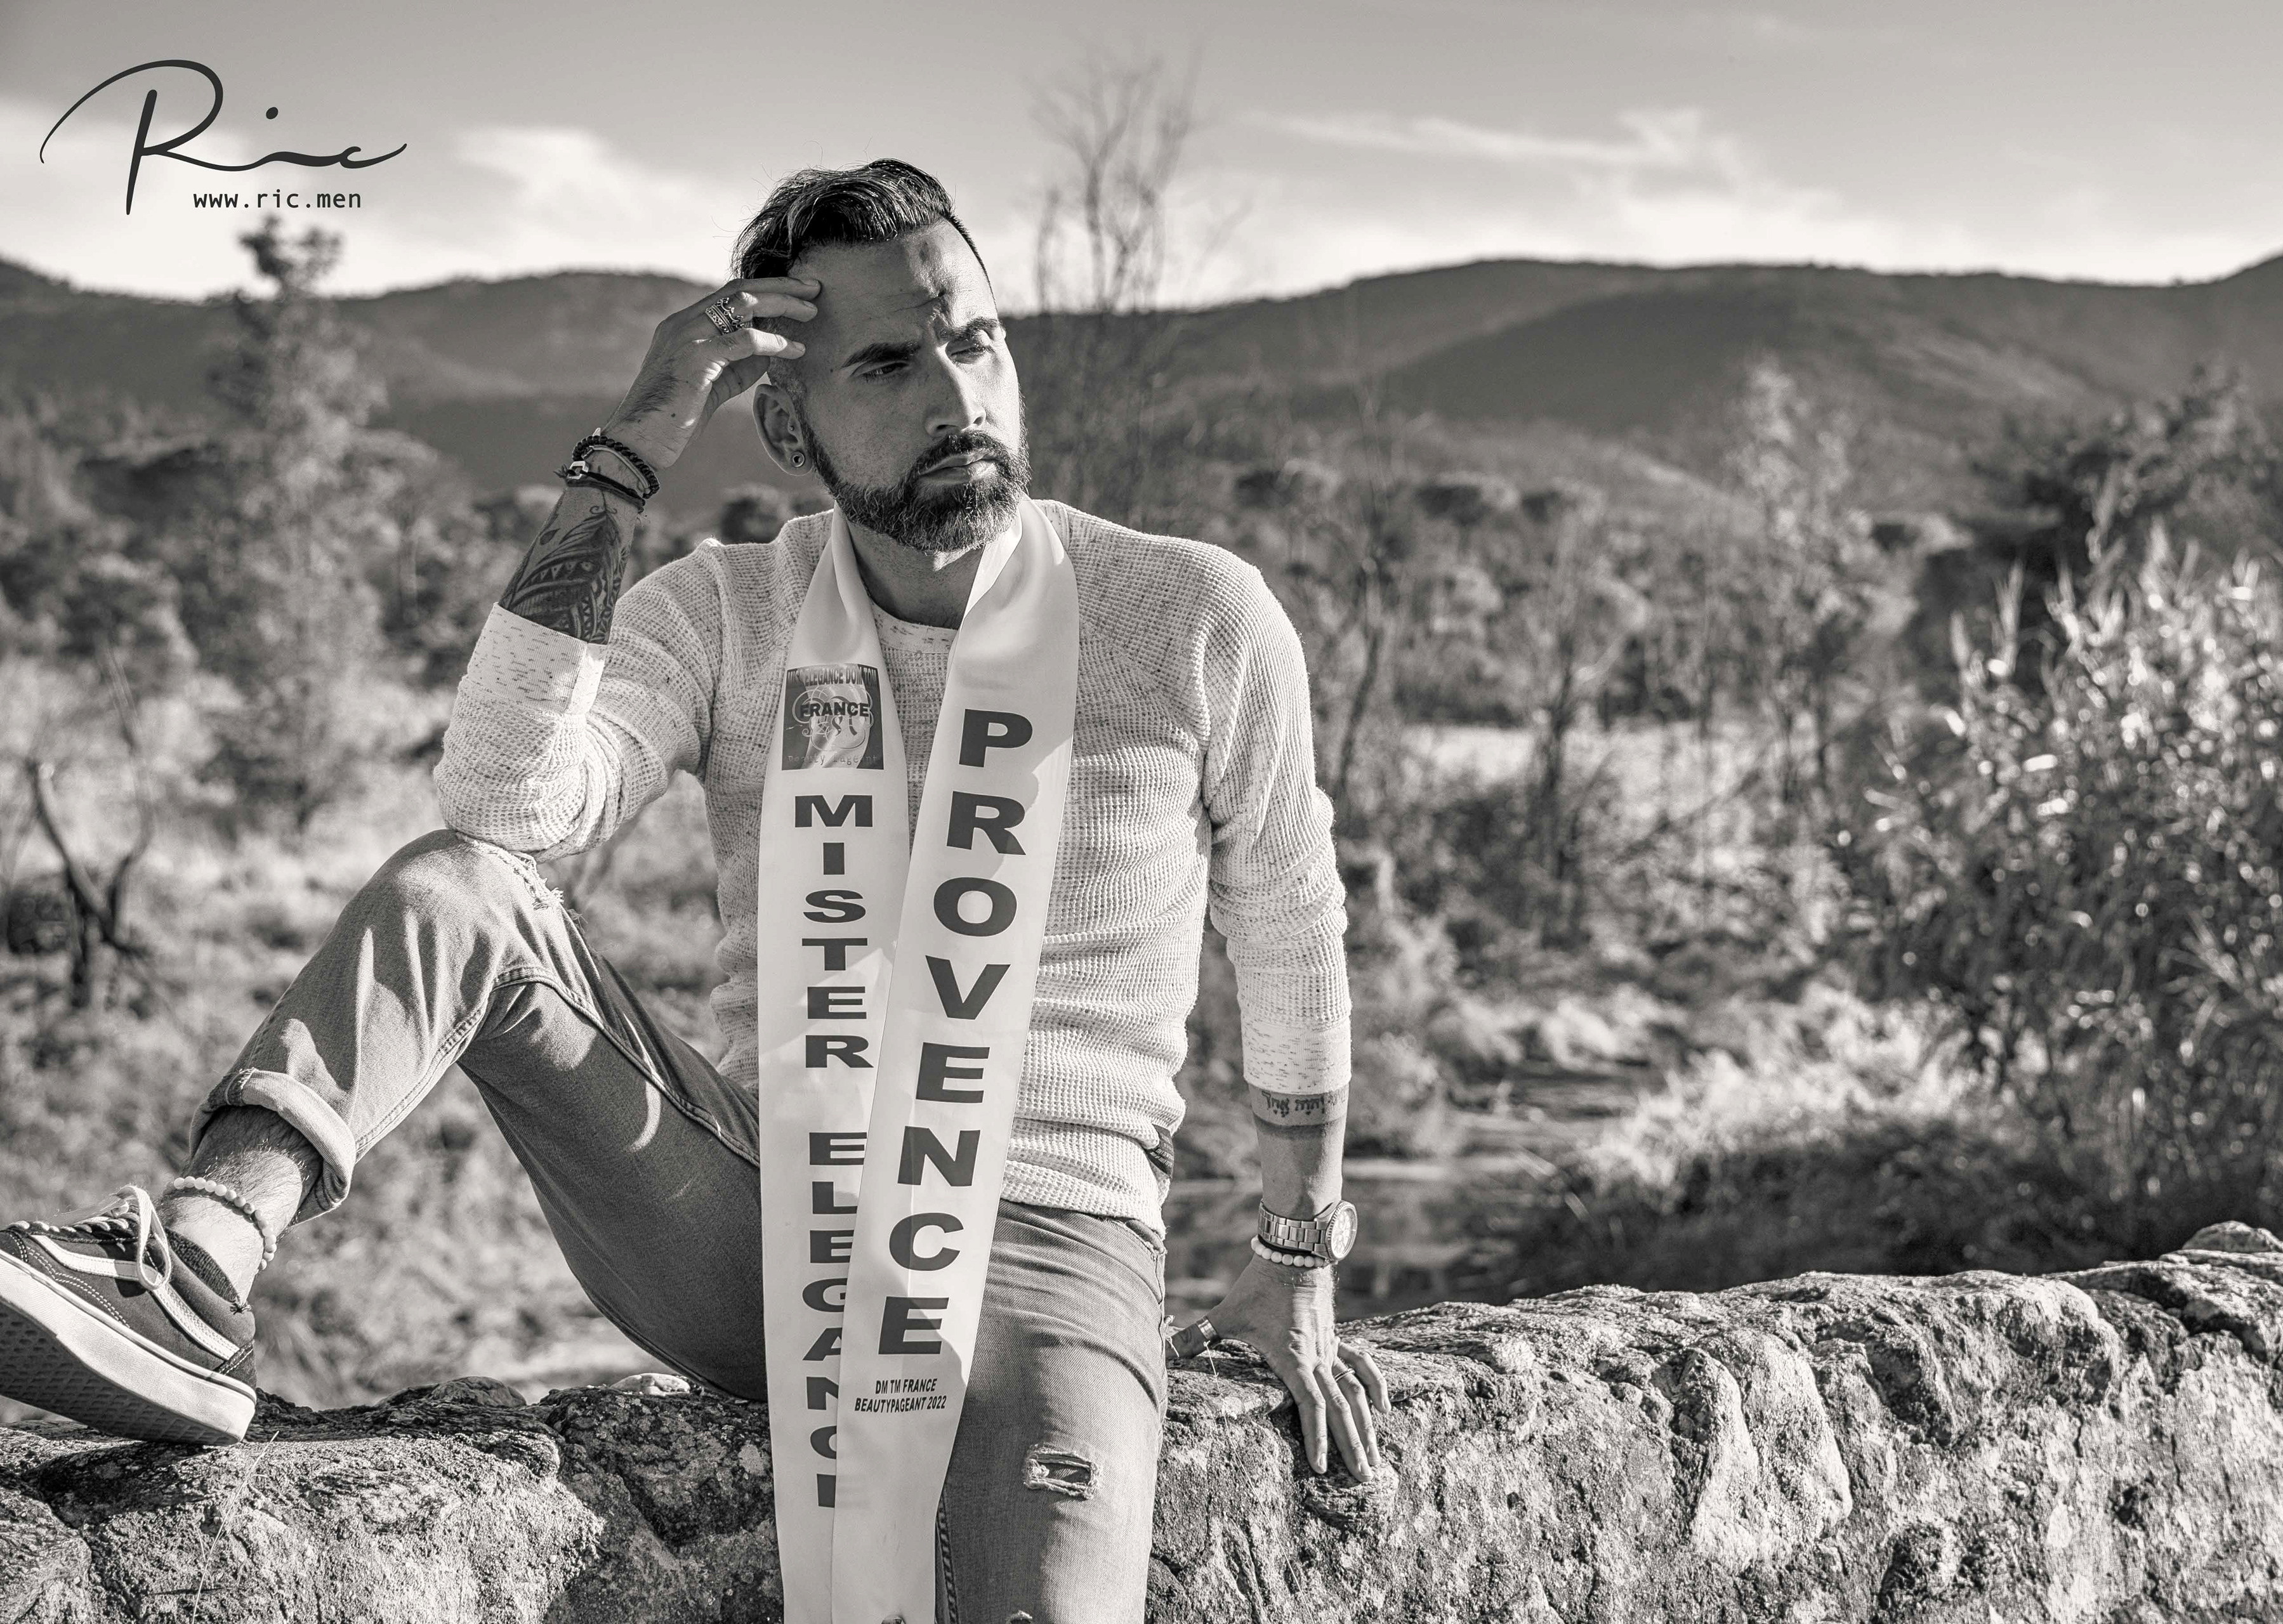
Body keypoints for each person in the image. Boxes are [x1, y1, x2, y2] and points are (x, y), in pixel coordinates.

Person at [0, 159, 1384, 1623]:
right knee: (461, 889)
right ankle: (196, 1269)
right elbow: (503, 810)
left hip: (1051, 1240)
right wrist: (629, 452)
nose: (956, 396)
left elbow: (1291, 922)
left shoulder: (1193, 611)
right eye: (887, 364)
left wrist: (1296, 1256)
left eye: (976, 340)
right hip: (768, 1220)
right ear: (786, 421)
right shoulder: (728, 611)